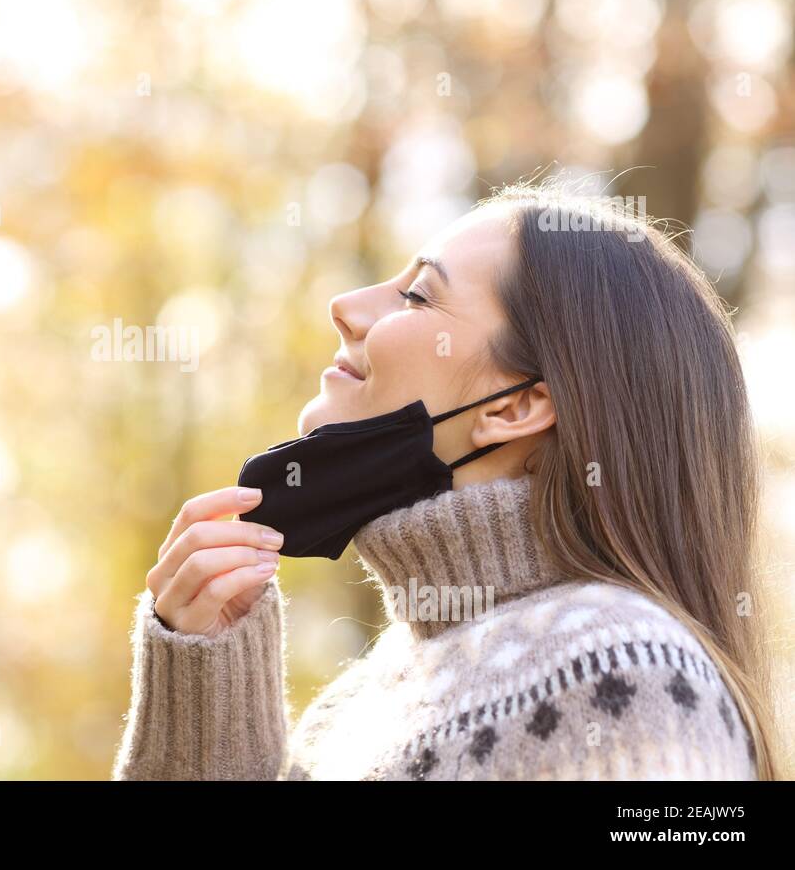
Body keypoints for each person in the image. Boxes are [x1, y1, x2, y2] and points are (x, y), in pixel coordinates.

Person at [111, 179, 777, 780]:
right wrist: (203, 712)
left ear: (516, 407)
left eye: (418, 295)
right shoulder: (349, 715)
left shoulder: (620, 669)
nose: (344, 306)